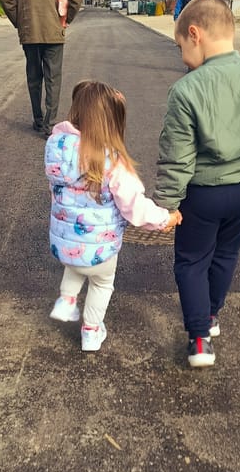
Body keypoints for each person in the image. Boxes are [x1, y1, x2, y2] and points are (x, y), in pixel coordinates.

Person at [153, 0, 240, 368]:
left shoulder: (187, 90)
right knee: (226, 254)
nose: (183, 57)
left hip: (202, 195)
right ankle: (212, 315)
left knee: (191, 261)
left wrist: (166, 206)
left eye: (181, 47)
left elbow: (177, 158)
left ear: (194, 34)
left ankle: (199, 338)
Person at [45, 80, 182, 352]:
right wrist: (164, 218)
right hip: (101, 248)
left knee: (76, 264)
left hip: (65, 242)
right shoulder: (111, 160)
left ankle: (67, 301)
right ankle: (91, 332)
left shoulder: (56, 148)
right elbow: (134, 206)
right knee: (101, 283)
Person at [0, 0, 83, 137]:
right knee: (53, 78)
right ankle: (50, 124)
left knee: (34, 76)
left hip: (29, 32)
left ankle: (37, 119)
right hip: (54, 32)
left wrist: (20, 21)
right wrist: (65, 20)